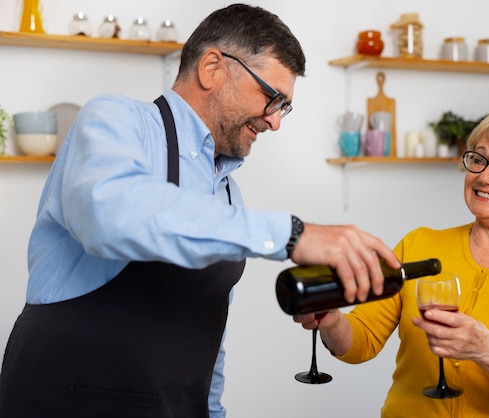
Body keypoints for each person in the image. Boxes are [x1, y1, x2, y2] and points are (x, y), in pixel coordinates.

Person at [0, 4, 400, 417]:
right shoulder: (117, 121)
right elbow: (112, 215)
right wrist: (296, 234)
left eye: (284, 107)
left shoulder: (228, 194)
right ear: (212, 67)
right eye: (272, 97)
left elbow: (208, 333)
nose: (276, 122)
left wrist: (212, 412)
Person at [295, 110, 489, 417]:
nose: (484, 176)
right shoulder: (419, 245)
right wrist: (332, 321)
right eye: (479, 159)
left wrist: (485, 347)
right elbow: (362, 340)